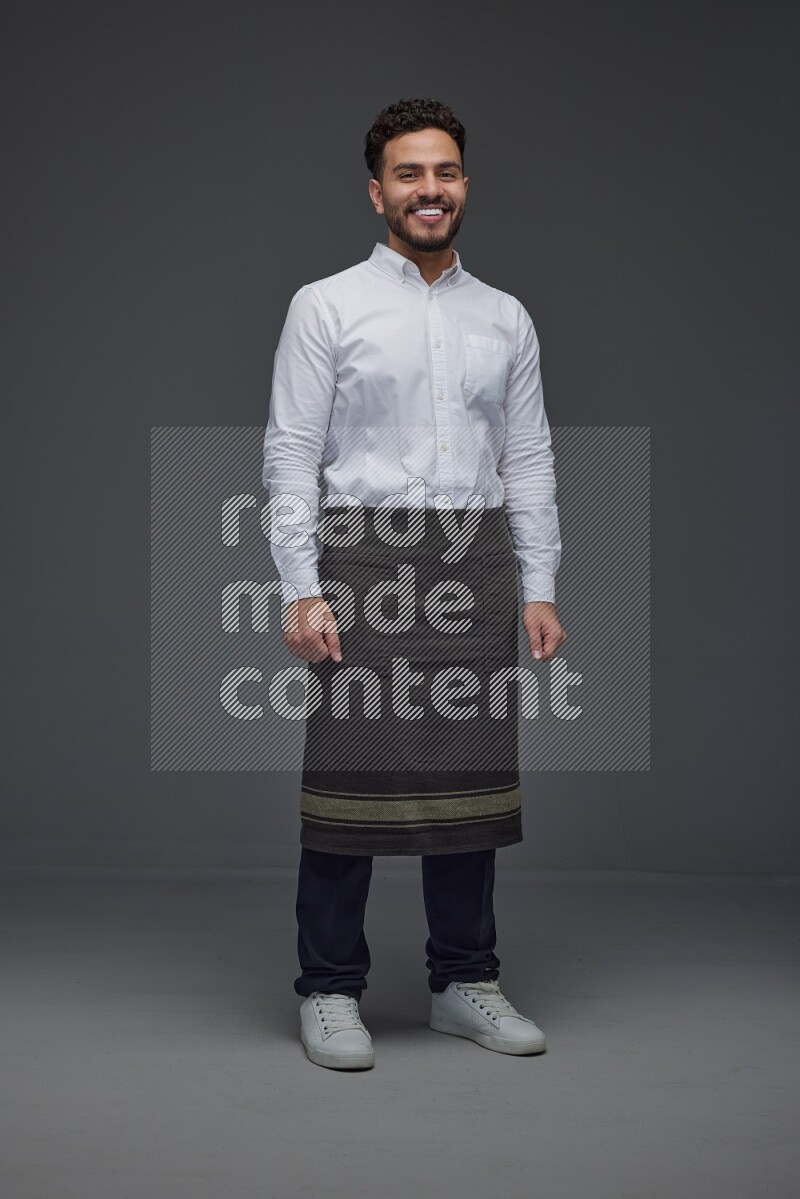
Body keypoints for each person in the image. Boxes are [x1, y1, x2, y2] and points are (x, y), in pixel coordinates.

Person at [262, 97, 566, 1070]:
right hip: (360, 560)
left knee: (466, 780)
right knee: (350, 780)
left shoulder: (503, 316)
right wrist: (299, 585)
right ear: (375, 190)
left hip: (473, 563)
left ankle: (461, 980)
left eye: (443, 173)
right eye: (407, 173)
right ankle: (328, 988)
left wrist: (540, 582)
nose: (427, 190)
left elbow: (527, 456)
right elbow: (290, 452)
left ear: (463, 185)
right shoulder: (327, 304)